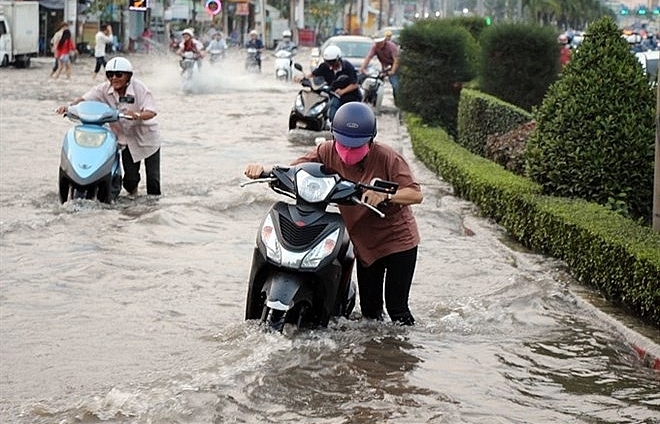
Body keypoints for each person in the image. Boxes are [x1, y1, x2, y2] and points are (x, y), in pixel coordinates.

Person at [244, 102, 423, 325]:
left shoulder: (388, 157)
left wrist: (385, 196)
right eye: (343, 144)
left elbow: (415, 194)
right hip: (364, 243)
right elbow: (294, 172)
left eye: (356, 146)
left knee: (397, 310)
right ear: (334, 136)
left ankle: (401, 353)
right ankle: (375, 355)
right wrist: (263, 171)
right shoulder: (326, 151)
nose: (348, 152)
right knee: (370, 312)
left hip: (397, 242)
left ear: (370, 140)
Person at [56, 57, 162, 198]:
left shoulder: (140, 89)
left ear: (128, 76)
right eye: (110, 75)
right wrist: (69, 107)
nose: (114, 78)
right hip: (125, 140)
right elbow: (84, 99)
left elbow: (151, 111)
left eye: (119, 74)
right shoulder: (103, 89)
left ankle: (152, 209)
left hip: (147, 139)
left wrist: (137, 114)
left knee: (153, 180)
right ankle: (134, 202)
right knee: (130, 180)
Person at [297, 45, 361, 121]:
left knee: (333, 115)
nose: (331, 66)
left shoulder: (347, 67)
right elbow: (313, 75)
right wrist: (302, 78)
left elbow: (355, 84)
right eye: (328, 63)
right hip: (332, 93)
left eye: (333, 63)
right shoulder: (324, 66)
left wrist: (342, 91)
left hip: (349, 97)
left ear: (338, 59)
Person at [358, 30, 400, 101]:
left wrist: (392, 71)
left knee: (395, 84)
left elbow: (396, 60)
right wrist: (362, 68)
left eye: (379, 43)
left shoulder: (391, 47)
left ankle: (398, 101)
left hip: (394, 67)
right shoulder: (375, 47)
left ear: (383, 41)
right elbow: (369, 57)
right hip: (385, 67)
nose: (378, 45)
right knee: (375, 83)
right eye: (377, 43)